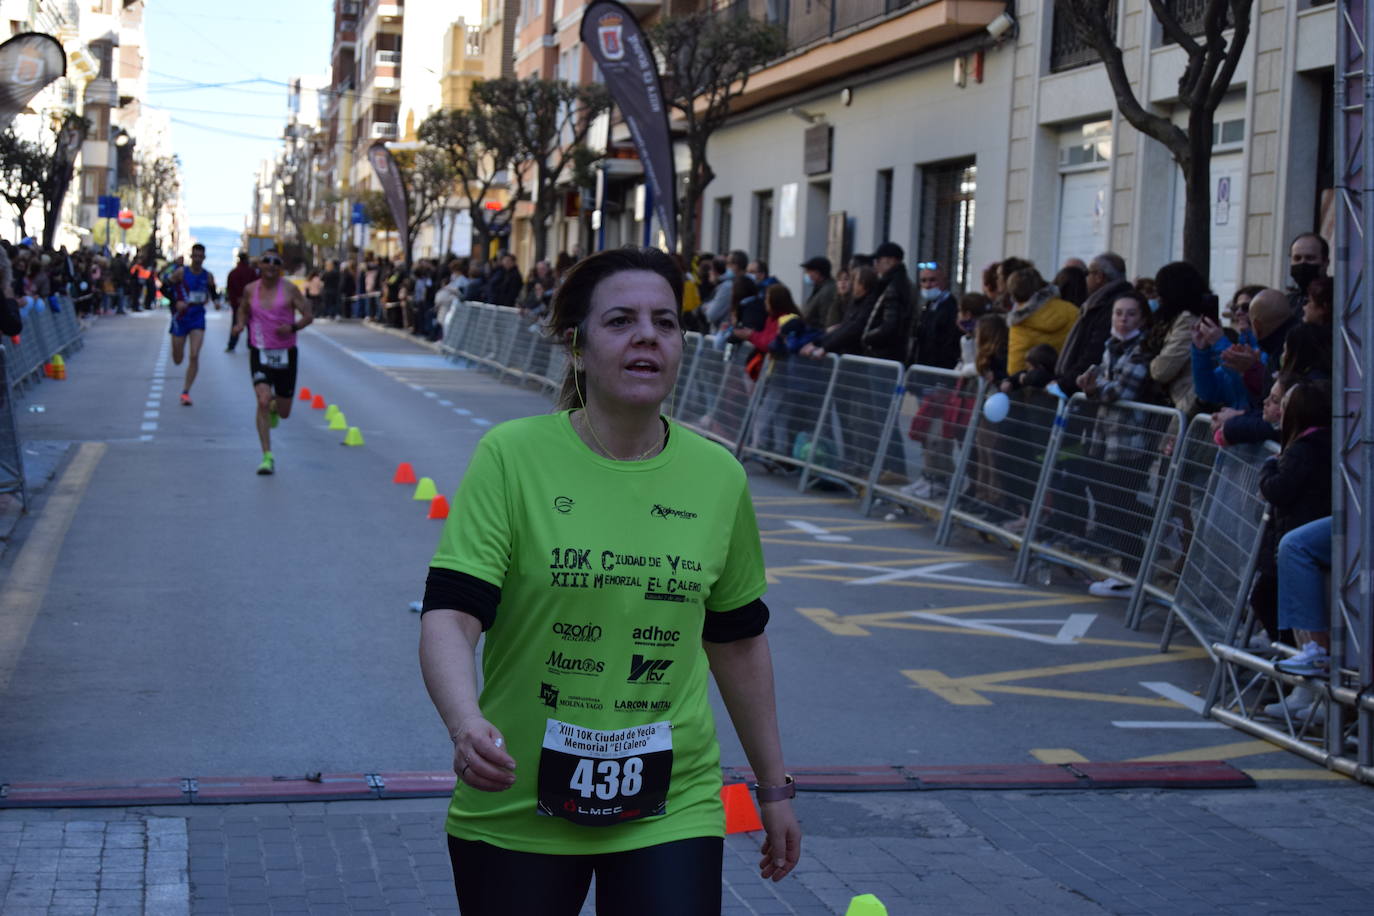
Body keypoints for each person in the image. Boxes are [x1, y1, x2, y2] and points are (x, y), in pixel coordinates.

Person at [418, 247, 800, 915]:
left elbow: (737, 640)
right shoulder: (512, 458)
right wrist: (465, 723)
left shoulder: (718, 477)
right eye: (621, 320)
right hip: (517, 797)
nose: (647, 335)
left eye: (665, 322)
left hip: (670, 802)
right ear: (577, 345)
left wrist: (774, 788)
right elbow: (451, 613)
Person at [1074, 290, 1156, 598]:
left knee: (1120, 504)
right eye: (1118, 313)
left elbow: (1123, 390)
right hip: (1104, 438)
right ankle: (1130, 562)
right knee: (1108, 501)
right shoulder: (1111, 346)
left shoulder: (1141, 349)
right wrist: (1089, 383)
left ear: (1142, 317)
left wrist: (1094, 389)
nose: (1123, 319)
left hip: (1129, 440)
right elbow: (1098, 379)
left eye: (1130, 313)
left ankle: (1133, 573)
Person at [232, 250, 313, 475]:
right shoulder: (251, 290)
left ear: (280, 267)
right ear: (259, 264)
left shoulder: (289, 289)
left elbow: (308, 314)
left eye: (275, 262)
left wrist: (293, 327)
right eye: (266, 260)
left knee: (284, 411)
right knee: (262, 400)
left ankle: (277, 407)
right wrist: (239, 325)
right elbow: (243, 310)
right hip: (260, 351)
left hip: (286, 353)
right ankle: (267, 455)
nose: (270, 265)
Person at [1054, 252, 1133, 396]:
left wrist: (1066, 384)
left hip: (1086, 388)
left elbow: (1094, 352)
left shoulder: (1109, 305)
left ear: (1099, 276)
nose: (1085, 278)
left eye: (1087, 273)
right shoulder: (1097, 302)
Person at [169, 243, 217, 406]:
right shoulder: (182, 273)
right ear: (191, 256)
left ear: (204, 258)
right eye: (195, 256)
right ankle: (177, 352)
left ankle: (185, 392)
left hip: (197, 317)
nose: (197, 259)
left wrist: (216, 301)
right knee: (178, 358)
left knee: (194, 355)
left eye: (200, 256)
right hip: (181, 318)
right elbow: (165, 287)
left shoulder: (207, 276)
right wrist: (177, 302)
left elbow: (213, 292)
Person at [1005, 267, 1076, 376]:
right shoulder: (1071, 310)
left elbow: (1015, 368)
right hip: (1066, 379)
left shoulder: (1019, 322)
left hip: (1031, 383)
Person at [911, 261, 961, 369]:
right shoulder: (928, 306)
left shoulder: (951, 308)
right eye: (923, 281)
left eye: (932, 280)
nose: (928, 285)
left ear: (944, 281)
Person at [1286, 232, 1329, 316]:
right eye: (1297, 258)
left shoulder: (1337, 299)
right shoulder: (1287, 302)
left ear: (1325, 263)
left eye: (1310, 258)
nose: (1303, 263)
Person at [225, 252, 258, 351]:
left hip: (237, 304)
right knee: (251, 325)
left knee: (236, 324)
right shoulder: (252, 272)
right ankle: (251, 344)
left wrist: (234, 300)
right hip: (251, 303)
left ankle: (231, 345)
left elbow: (230, 289)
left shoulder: (233, 272)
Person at [799, 256, 839, 330]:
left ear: (817, 273)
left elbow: (825, 321)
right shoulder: (819, 288)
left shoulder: (827, 291)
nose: (806, 274)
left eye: (808, 271)